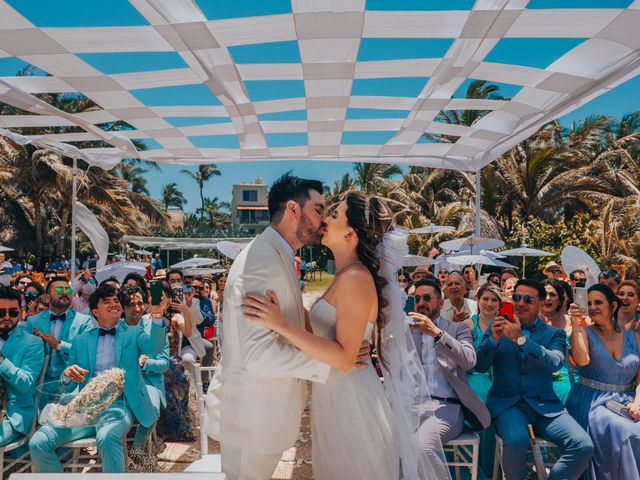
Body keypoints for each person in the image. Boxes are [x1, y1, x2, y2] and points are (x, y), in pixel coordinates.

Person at [207, 177, 383, 480]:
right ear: (292, 209)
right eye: (319, 209)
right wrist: (336, 359)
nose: (324, 220)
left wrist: (337, 344)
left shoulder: (276, 254)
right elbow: (259, 354)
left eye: (331, 213)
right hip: (255, 415)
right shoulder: (262, 260)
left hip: (275, 411)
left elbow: (295, 318)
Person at [29, 284, 166, 473]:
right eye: (106, 301)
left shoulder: (133, 332)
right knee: (38, 442)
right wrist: (68, 375)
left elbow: (154, 348)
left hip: (118, 406)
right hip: (83, 407)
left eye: (116, 301)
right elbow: (68, 387)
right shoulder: (81, 340)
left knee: (107, 437)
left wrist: (157, 315)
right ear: (95, 311)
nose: (114, 304)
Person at [476, 279, 593, 480]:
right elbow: (479, 365)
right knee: (516, 441)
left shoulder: (553, 333)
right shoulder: (497, 327)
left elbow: (555, 362)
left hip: (545, 406)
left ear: (540, 303)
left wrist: (521, 339)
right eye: (517, 297)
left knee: (583, 444)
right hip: (508, 405)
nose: (520, 303)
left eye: (528, 299)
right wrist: (494, 340)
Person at [408, 278, 490, 479]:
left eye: (427, 298)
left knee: (422, 449)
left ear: (441, 302)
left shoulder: (457, 329)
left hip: (447, 409)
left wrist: (437, 334)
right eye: (417, 298)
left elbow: (470, 361)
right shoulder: (406, 330)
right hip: (411, 407)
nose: (421, 303)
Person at [567, 284, 640, 480]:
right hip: (591, 402)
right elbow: (582, 360)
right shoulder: (582, 332)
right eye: (589, 303)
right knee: (625, 430)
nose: (592, 308)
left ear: (613, 305)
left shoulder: (635, 337)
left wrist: (638, 403)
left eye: (598, 302)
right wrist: (575, 324)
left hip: (627, 401)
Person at [119, 285, 170, 457]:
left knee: (152, 409)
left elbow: (164, 363)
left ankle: (137, 452)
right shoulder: (115, 328)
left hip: (148, 381)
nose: (137, 308)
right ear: (123, 307)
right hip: (121, 381)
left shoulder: (155, 326)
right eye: (131, 305)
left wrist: (146, 364)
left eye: (140, 303)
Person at [25, 277, 92, 404]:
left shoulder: (84, 321)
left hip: (71, 387)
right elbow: (27, 354)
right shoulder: (33, 321)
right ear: (47, 296)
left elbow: (85, 353)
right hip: (40, 386)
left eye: (68, 289)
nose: (65, 292)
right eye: (59, 289)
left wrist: (59, 346)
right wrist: (38, 345)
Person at [0, 286, 45, 447]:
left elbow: (25, 384)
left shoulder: (33, 342)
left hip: (12, 414)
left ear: (21, 311)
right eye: (1, 313)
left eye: (12, 312)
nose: (6, 317)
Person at [467, 282, 502, 477]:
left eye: (493, 300)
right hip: (473, 376)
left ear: (499, 303)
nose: (489, 303)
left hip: (498, 376)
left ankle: (490, 468)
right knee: (480, 397)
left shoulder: (505, 324)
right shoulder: (469, 324)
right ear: (478, 301)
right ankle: (474, 469)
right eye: (485, 299)